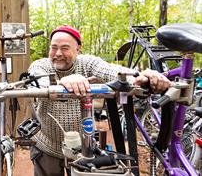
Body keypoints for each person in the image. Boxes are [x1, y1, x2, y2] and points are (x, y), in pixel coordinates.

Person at [28, 25, 170, 176]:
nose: (58, 53)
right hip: (47, 146)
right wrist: (63, 81)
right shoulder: (41, 65)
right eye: (54, 47)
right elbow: (37, 81)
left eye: (65, 48)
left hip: (82, 148)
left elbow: (111, 71)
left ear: (78, 49)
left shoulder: (87, 63)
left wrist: (141, 76)